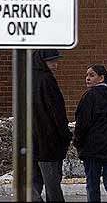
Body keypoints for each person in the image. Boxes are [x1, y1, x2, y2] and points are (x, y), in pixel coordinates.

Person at [73, 64, 107, 202]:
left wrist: (78, 143)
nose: (87, 78)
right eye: (86, 75)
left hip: (93, 151)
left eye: (91, 75)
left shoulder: (90, 96)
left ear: (101, 78)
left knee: (92, 186)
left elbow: (81, 124)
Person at [32, 49, 72, 202]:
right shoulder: (46, 80)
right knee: (52, 185)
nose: (55, 64)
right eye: (52, 61)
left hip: (30, 141)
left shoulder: (27, 79)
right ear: (42, 62)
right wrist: (65, 134)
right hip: (48, 141)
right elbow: (56, 110)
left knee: (33, 183)